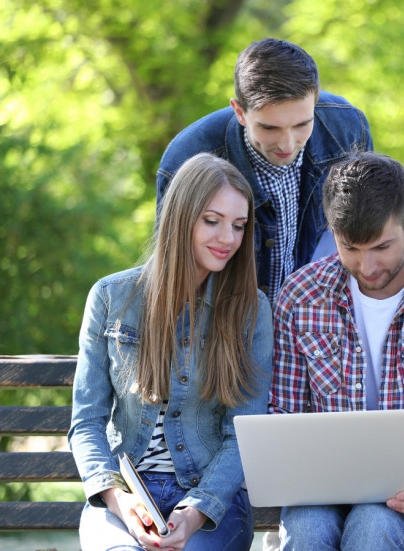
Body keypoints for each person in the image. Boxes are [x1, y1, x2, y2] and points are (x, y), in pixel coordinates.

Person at [269, 151, 404, 550]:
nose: (367, 267)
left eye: (382, 247)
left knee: (372, 524)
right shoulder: (299, 297)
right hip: (322, 486)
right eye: (350, 248)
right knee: (308, 531)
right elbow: (285, 414)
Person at [69, 153, 273, 551]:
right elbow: (86, 422)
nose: (228, 239)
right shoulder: (111, 298)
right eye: (212, 221)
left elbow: (243, 433)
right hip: (124, 495)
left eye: (238, 225)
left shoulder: (251, 310)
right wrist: (119, 500)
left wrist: (195, 511)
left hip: (212, 503)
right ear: (181, 218)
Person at [157, 37, 373, 301]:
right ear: (239, 111)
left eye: (302, 125)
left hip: (319, 320)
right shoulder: (187, 159)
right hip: (226, 324)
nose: (287, 143)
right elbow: (175, 273)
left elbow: (366, 227)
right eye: (269, 128)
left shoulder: (347, 129)